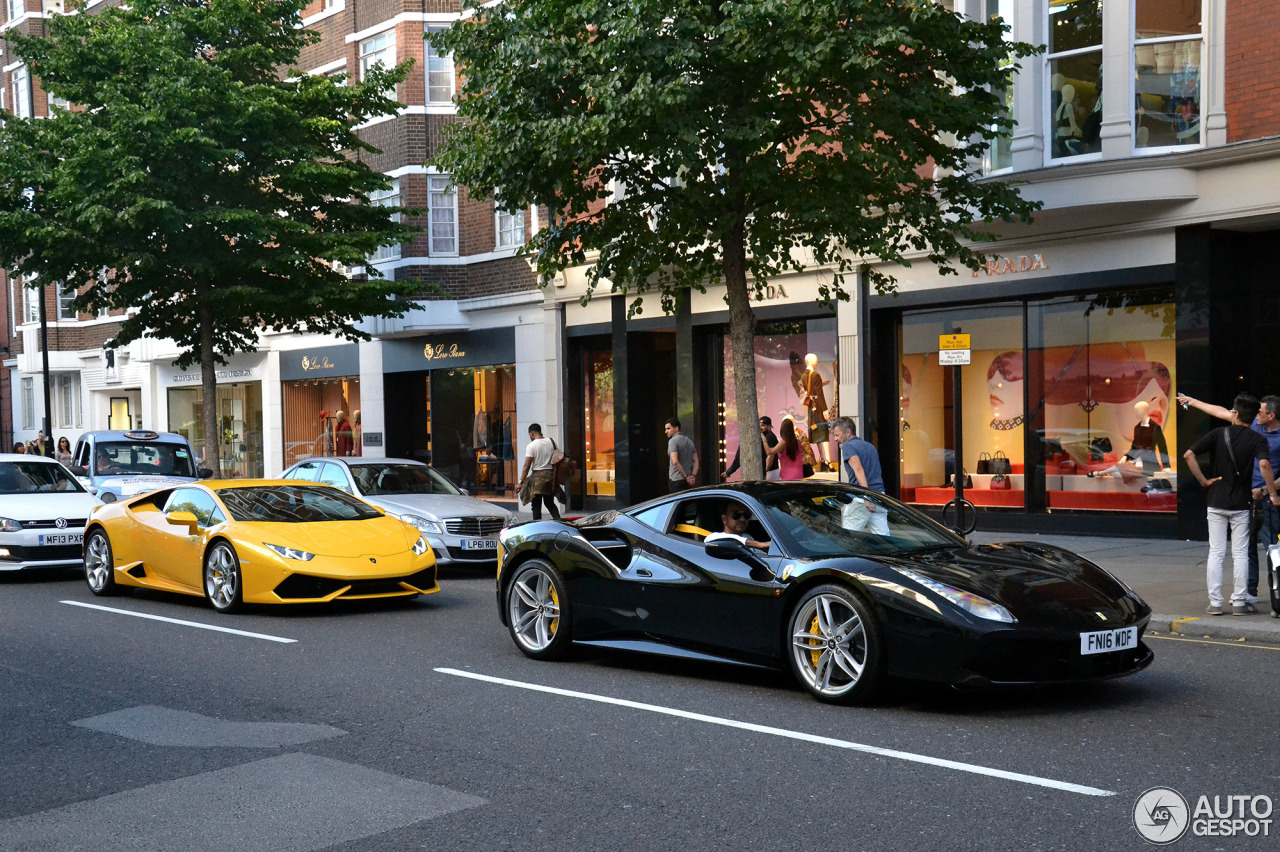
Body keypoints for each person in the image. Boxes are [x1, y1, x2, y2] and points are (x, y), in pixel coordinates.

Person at [1182, 394, 1280, 616]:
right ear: (1254, 415)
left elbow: (1188, 455)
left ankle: (1215, 603)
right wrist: (1271, 492)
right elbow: (1264, 463)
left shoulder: (1219, 433)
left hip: (1216, 500)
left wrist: (1203, 481)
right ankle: (1239, 602)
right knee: (1241, 554)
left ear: (1235, 414)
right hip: (1242, 502)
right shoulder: (1256, 438)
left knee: (1216, 553)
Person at [830, 416, 889, 535]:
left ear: (848, 432)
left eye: (837, 435)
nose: (836, 439)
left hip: (861, 497)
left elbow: (858, 469)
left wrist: (866, 497)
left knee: (850, 537)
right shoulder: (870, 446)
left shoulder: (848, 447)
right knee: (883, 536)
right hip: (879, 495)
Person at [518, 423, 560, 520]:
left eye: (530, 435)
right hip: (550, 477)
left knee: (536, 505)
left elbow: (526, 466)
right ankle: (560, 521)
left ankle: (537, 525)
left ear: (532, 433)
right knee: (549, 503)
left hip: (537, 480)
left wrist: (521, 482)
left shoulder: (531, 446)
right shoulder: (551, 442)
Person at [704, 501, 770, 551]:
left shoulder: (748, 537)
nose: (742, 519)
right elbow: (729, 540)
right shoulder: (714, 538)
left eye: (746, 514)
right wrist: (760, 545)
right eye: (736, 515)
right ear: (724, 519)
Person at [664, 418, 698, 492]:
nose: (666, 431)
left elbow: (675, 461)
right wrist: (693, 475)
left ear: (676, 428)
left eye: (668, 429)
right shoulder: (689, 441)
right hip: (688, 480)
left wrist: (686, 476)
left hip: (676, 480)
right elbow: (696, 460)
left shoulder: (672, 441)